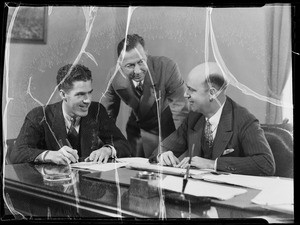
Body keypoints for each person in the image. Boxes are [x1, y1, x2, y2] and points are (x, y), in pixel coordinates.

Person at [149, 62, 275, 176]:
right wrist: (162, 156)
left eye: (191, 90)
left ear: (212, 93)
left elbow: (266, 164)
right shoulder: (194, 117)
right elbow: (161, 149)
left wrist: (211, 164)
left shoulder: (244, 120)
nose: (185, 94)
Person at [9, 64, 131, 165]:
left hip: (88, 190)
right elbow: (17, 153)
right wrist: (49, 155)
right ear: (63, 95)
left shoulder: (97, 110)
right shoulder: (39, 116)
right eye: (80, 94)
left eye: (89, 93)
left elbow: (124, 145)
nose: (87, 100)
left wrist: (108, 150)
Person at [102, 34, 188, 158]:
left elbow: (181, 113)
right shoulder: (114, 76)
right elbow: (106, 118)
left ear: (146, 54)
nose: (137, 71)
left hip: (166, 131)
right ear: (120, 64)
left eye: (141, 62)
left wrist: (182, 151)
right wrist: (106, 149)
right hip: (136, 131)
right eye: (130, 65)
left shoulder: (167, 67)